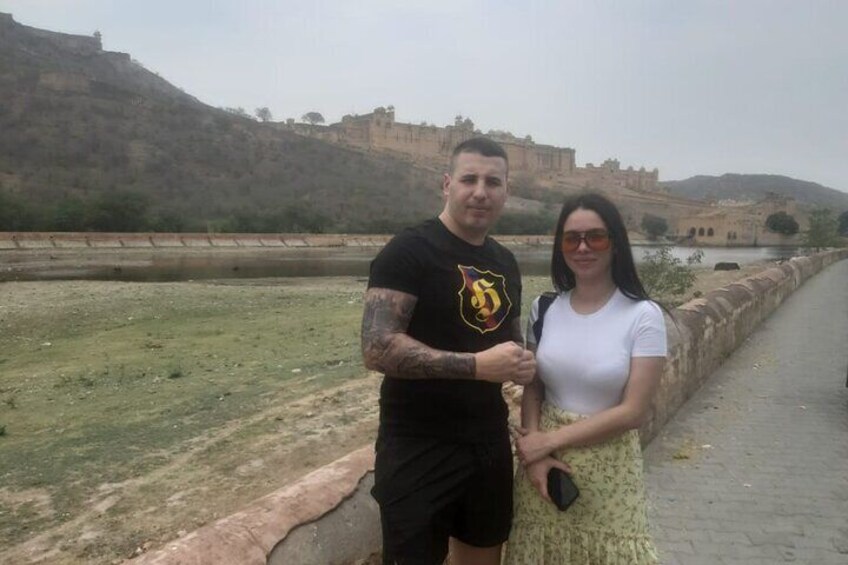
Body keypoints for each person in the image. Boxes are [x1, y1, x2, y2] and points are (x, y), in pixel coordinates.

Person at [361, 137, 536, 565]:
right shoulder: (409, 250)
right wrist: (478, 366)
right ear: (447, 184)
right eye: (469, 179)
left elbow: (508, 340)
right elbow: (377, 347)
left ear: (506, 191)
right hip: (418, 445)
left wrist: (523, 361)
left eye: (493, 181)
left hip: (487, 440)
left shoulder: (504, 261)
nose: (481, 191)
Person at [505, 192, 667, 564]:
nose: (583, 247)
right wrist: (534, 454)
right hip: (545, 474)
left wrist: (547, 442)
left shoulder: (643, 316)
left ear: (615, 243)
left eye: (595, 237)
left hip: (609, 472)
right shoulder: (544, 308)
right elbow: (534, 387)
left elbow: (633, 412)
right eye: (571, 238)